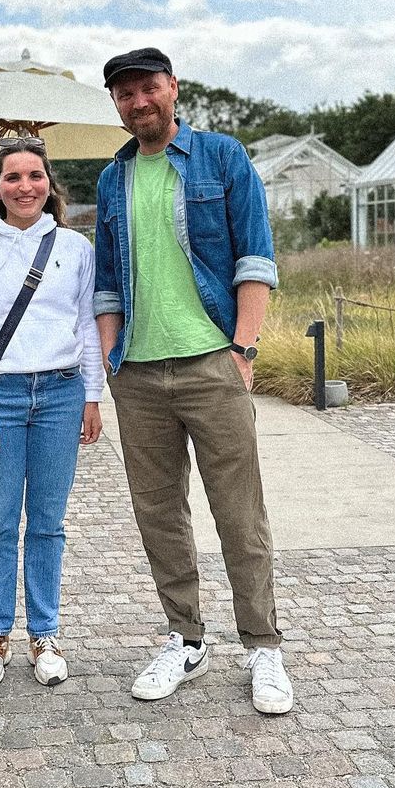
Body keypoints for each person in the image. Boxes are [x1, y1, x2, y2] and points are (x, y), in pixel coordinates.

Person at [94, 48, 293, 715]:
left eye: (148, 88)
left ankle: (263, 646)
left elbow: (255, 256)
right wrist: (111, 356)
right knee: (159, 515)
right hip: (140, 374)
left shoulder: (221, 157)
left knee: (240, 512)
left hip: (214, 361)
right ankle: (184, 637)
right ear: (116, 105)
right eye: (124, 94)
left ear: (172, 89)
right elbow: (106, 282)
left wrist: (243, 348)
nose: (138, 102)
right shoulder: (111, 180)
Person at [0, 138, 104, 689]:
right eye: (12, 177)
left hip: (61, 393)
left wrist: (92, 395)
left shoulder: (74, 247)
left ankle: (45, 632)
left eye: (35, 176)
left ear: (50, 185)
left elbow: (87, 326)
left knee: (48, 523)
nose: (25, 186)